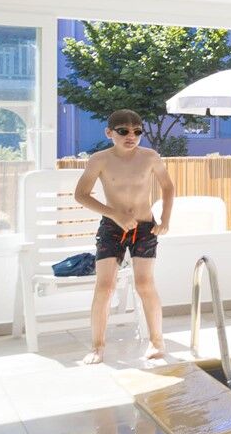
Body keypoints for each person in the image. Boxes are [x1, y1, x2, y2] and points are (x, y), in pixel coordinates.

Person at [73, 110, 174, 364]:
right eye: (124, 131)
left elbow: (168, 186)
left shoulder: (150, 157)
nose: (131, 136)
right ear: (109, 133)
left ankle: (156, 341)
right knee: (105, 286)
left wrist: (165, 219)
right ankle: (97, 346)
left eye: (137, 132)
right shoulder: (99, 160)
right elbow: (81, 194)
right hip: (113, 228)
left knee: (144, 284)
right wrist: (115, 214)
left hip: (144, 228)